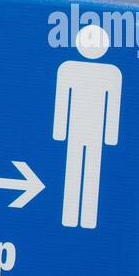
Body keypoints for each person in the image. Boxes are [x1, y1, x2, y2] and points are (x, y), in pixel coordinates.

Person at [53, 24, 121, 229]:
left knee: (91, 172)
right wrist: (59, 131)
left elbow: (113, 106)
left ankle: (87, 219)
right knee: (74, 170)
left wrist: (110, 136)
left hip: (94, 131)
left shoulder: (112, 73)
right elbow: (62, 101)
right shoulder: (68, 68)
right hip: (76, 129)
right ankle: (70, 216)